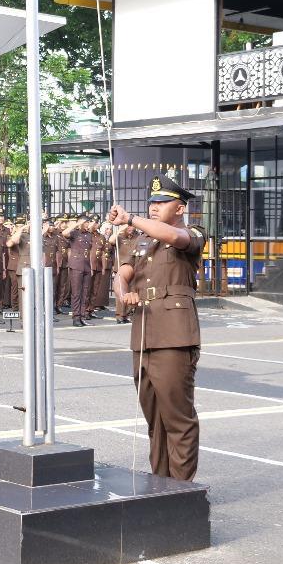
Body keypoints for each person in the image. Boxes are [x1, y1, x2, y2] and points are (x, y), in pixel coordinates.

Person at [112, 174, 206, 482]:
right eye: (151, 203)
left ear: (179, 209)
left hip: (174, 336)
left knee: (177, 418)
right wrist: (122, 291)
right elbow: (123, 273)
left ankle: (181, 490)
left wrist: (132, 218)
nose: (154, 208)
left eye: (162, 203)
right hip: (143, 333)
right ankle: (160, 483)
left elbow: (176, 239)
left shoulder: (191, 233)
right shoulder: (142, 241)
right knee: (154, 418)